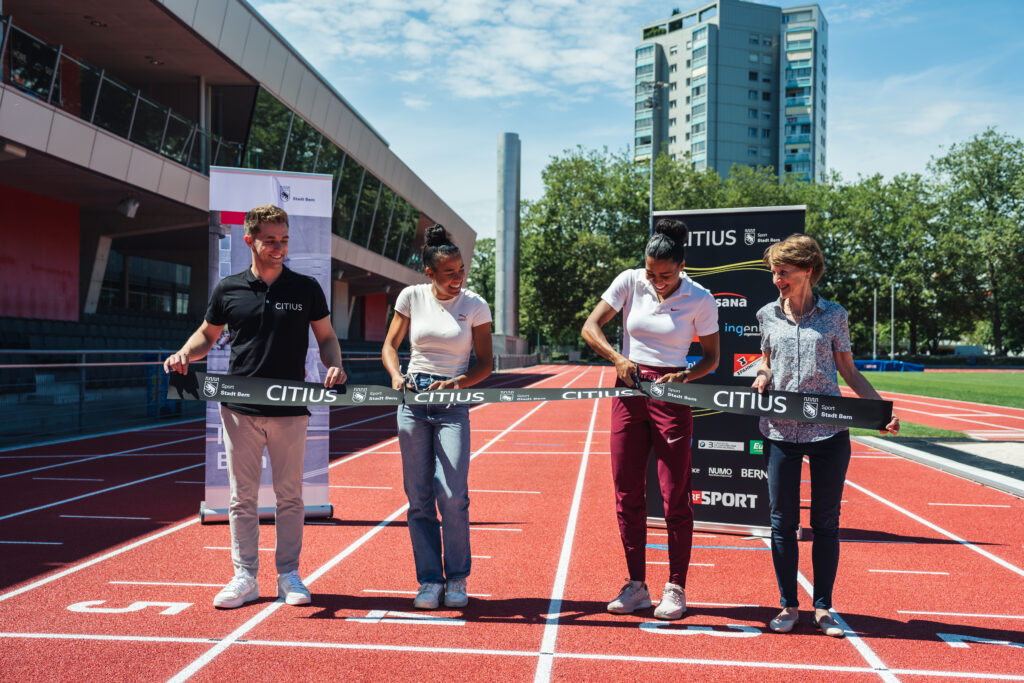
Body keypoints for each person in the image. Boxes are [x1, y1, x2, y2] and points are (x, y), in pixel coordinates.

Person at [163, 204, 344, 609]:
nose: (278, 248)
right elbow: (205, 337)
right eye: (270, 240)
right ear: (250, 240)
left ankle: (289, 575)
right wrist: (182, 355)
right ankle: (244, 577)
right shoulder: (228, 289)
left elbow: (327, 337)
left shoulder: (305, 288)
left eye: (284, 240)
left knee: (290, 497)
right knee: (241, 498)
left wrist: (335, 364)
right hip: (239, 410)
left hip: (291, 411)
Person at [751, 233, 899, 637]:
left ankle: (824, 607)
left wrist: (879, 411)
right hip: (780, 429)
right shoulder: (766, 315)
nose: (777, 279)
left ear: (809, 271)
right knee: (781, 522)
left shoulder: (834, 315)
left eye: (784, 272)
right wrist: (762, 376)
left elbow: (848, 372)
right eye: (774, 273)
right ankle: (786, 605)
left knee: (826, 521)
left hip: (828, 432)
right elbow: (765, 361)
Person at [582, 218, 720, 620]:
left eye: (666, 275)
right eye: (651, 273)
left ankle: (676, 587)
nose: (657, 281)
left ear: (682, 266)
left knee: (675, 492)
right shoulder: (629, 281)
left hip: (672, 393)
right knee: (627, 491)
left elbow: (711, 358)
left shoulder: (701, 298)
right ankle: (636, 584)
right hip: (628, 387)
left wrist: (686, 375)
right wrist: (617, 358)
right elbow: (590, 327)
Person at [382, 224, 493, 610]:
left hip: (452, 404)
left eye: (461, 270)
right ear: (430, 273)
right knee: (418, 498)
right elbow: (390, 346)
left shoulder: (476, 305)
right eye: (449, 273)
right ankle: (429, 580)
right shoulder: (411, 297)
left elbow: (486, 365)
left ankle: (458, 578)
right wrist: (397, 376)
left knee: (452, 494)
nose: (458, 279)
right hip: (412, 401)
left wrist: (459, 382)